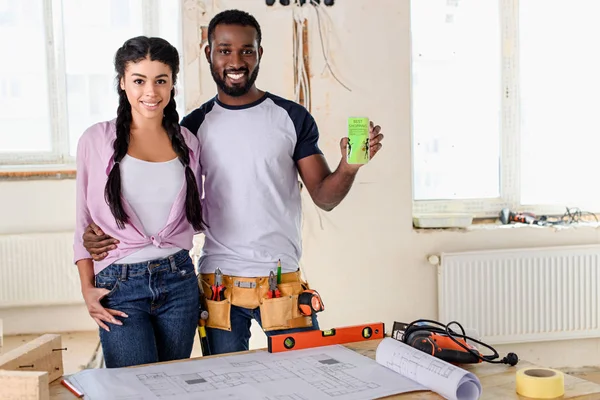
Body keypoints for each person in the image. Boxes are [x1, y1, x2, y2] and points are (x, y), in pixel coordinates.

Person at [81, 9, 384, 356]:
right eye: (224, 50)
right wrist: (101, 232)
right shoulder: (192, 129)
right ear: (209, 53)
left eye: (247, 50)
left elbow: (324, 197)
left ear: (259, 54)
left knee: (305, 373)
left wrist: (349, 167)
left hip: (281, 280)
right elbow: (158, 195)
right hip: (218, 284)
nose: (236, 60)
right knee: (225, 384)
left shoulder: (291, 117)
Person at [73, 36, 205, 368]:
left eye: (161, 80)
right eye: (139, 80)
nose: (151, 91)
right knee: (134, 386)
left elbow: (201, 210)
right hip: (119, 285)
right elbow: (82, 221)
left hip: (179, 281)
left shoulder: (188, 142)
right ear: (122, 82)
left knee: (173, 384)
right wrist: (87, 289)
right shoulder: (96, 140)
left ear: (173, 83)